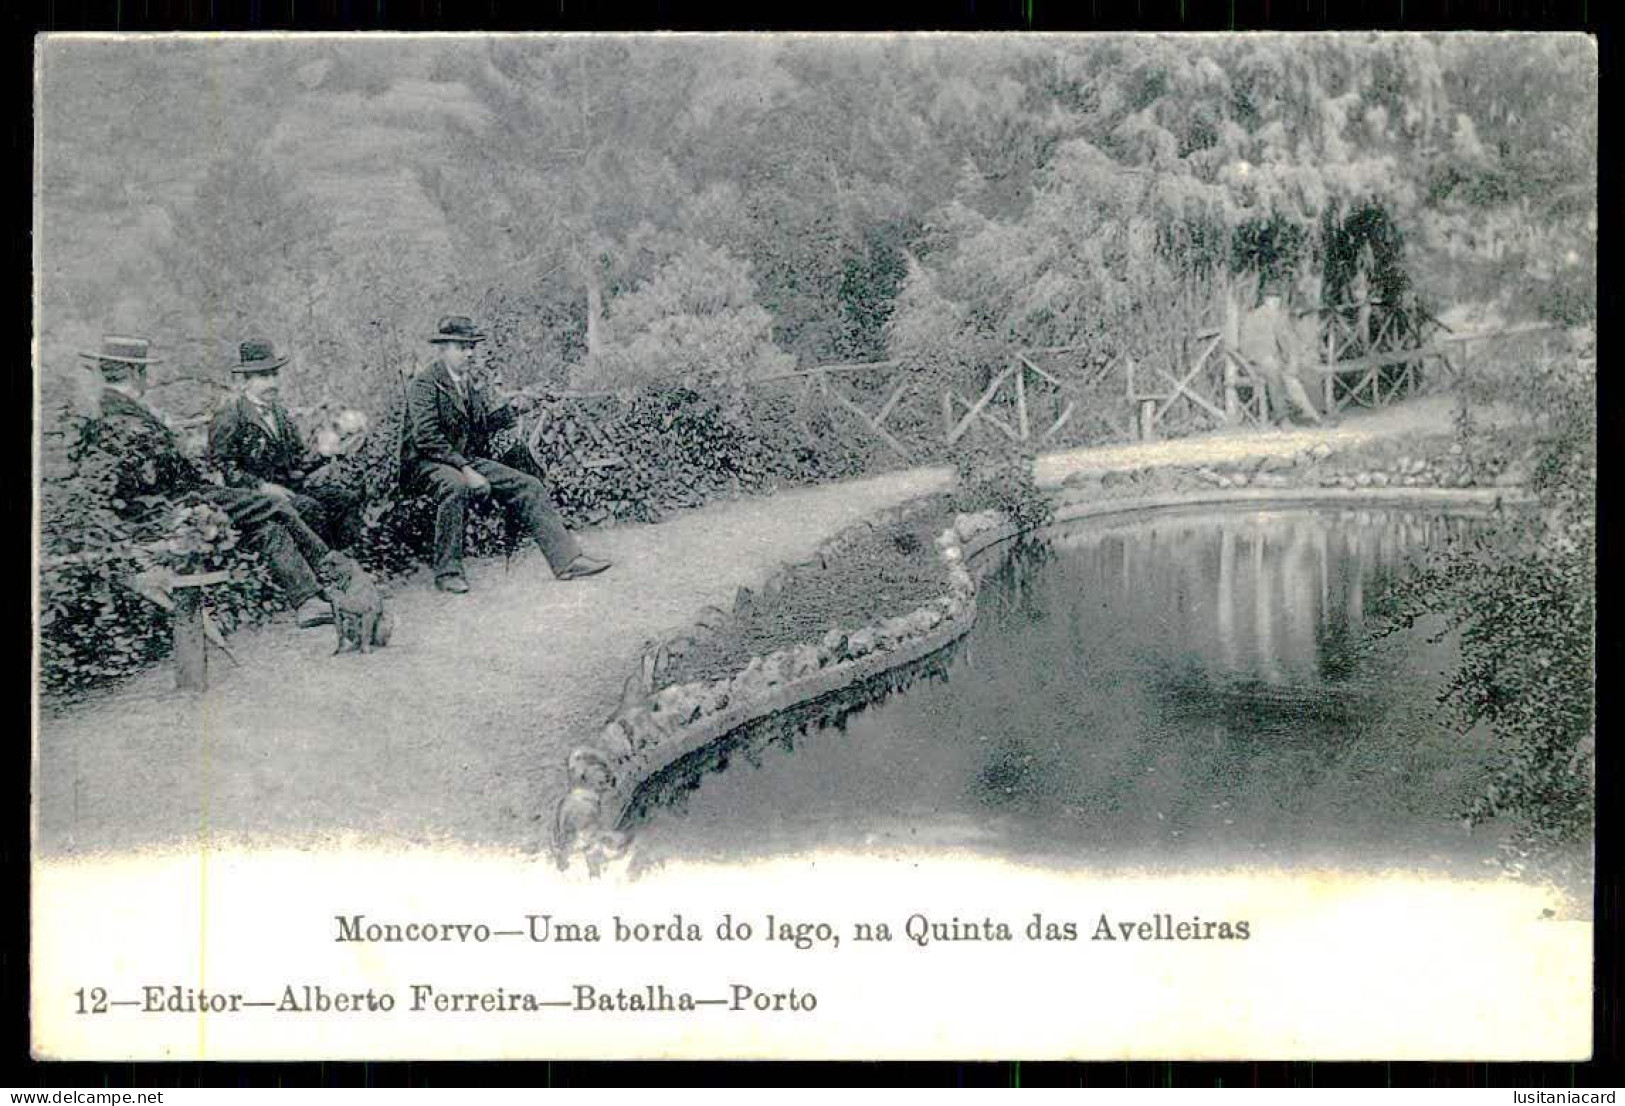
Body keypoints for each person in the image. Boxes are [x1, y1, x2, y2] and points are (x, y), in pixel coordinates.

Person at [75, 334, 336, 628]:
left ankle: (308, 601)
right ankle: (338, 578)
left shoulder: (119, 409)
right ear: (136, 372)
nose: (146, 378)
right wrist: (181, 450)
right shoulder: (123, 417)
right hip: (173, 504)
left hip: (176, 496)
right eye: (144, 371)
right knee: (275, 505)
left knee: (267, 524)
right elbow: (158, 475)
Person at [406, 315, 610, 594]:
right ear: (443, 349)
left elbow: (481, 428)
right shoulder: (425, 384)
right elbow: (426, 438)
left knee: (529, 485)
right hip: (426, 463)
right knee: (455, 485)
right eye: (461, 347)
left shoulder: (467, 383)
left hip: (462, 459)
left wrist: (517, 408)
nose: (468, 353)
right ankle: (447, 572)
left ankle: (567, 561)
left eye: (471, 347)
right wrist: (467, 470)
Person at [208, 338, 364, 550]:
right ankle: (322, 567)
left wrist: (324, 453)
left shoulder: (281, 415)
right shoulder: (230, 417)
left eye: (274, 375)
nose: (272, 383)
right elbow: (223, 467)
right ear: (245, 381)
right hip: (253, 501)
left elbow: (298, 460)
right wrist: (262, 486)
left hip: (288, 491)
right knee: (308, 508)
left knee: (344, 499)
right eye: (263, 376)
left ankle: (347, 559)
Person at [1237, 287, 1324, 427]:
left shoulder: (1282, 317)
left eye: (1278, 298)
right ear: (1265, 300)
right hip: (1256, 364)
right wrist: (1263, 357)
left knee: (1303, 370)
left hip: (1280, 361)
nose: (1275, 302)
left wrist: (1294, 358)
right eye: (1272, 298)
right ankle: (1282, 417)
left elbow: (1291, 340)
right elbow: (1245, 347)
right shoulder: (1253, 318)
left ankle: (1314, 413)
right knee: (1274, 371)